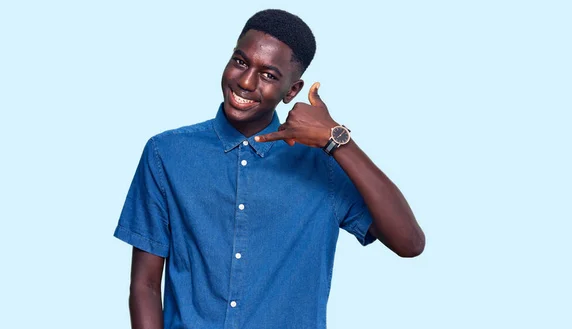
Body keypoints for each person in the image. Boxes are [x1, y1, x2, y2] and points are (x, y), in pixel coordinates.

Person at [114, 8, 425, 329]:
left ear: (292, 91)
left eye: (268, 75)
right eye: (240, 62)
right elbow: (145, 285)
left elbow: (409, 243)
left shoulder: (324, 164)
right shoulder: (167, 153)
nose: (246, 81)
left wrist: (338, 140)